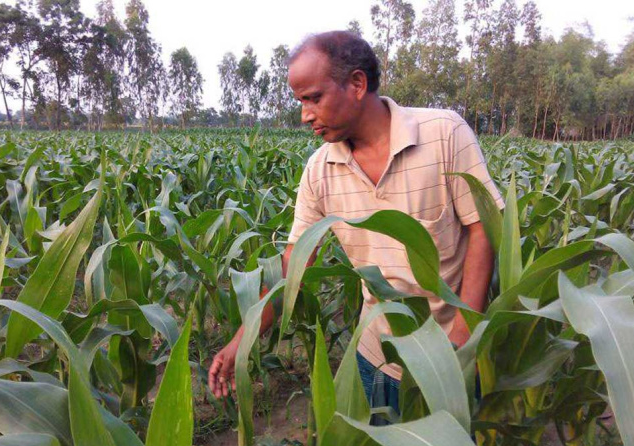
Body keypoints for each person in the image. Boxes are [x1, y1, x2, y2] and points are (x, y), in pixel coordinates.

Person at [207, 30, 503, 422]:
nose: (305, 115)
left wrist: (464, 334)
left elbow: (483, 229)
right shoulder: (319, 171)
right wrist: (239, 343)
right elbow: (294, 267)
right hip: (379, 359)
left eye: (313, 98)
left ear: (357, 84)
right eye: (300, 101)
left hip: (453, 355)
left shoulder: (444, 134)